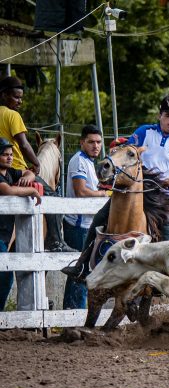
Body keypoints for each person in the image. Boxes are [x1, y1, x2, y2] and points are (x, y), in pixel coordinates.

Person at [62, 95, 169, 281]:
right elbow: (126, 152)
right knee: (100, 217)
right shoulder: (145, 132)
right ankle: (82, 265)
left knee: (168, 228)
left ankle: (165, 274)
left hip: (164, 197)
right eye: (168, 115)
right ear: (160, 115)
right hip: (136, 191)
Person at [0, 75, 73, 252]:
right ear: (3, 95)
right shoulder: (12, 115)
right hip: (16, 168)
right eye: (16, 97)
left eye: (21, 98)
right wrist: (36, 164)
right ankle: (56, 242)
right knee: (52, 195)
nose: (20, 102)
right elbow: (24, 144)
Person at [62, 125, 108, 309]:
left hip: (89, 224)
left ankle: (75, 315)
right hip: (78, 225)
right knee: (80, 272)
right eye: (91, 142)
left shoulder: (90, 162)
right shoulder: (79, 161)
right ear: (82, 142)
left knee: (85, 272)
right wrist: (105, 195)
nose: (95, 146)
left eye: (98, 142)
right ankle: (74, 315)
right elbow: (80, 191)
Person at [0, 138, 42, 310]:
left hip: (5, 234)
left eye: (11, 155)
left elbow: (32, 173)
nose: (9, 158)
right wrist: (31, 190)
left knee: (5, 276)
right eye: (4, 155)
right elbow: (7, 190)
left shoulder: (10, 173)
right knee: (4, 275)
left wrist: (26, 178)